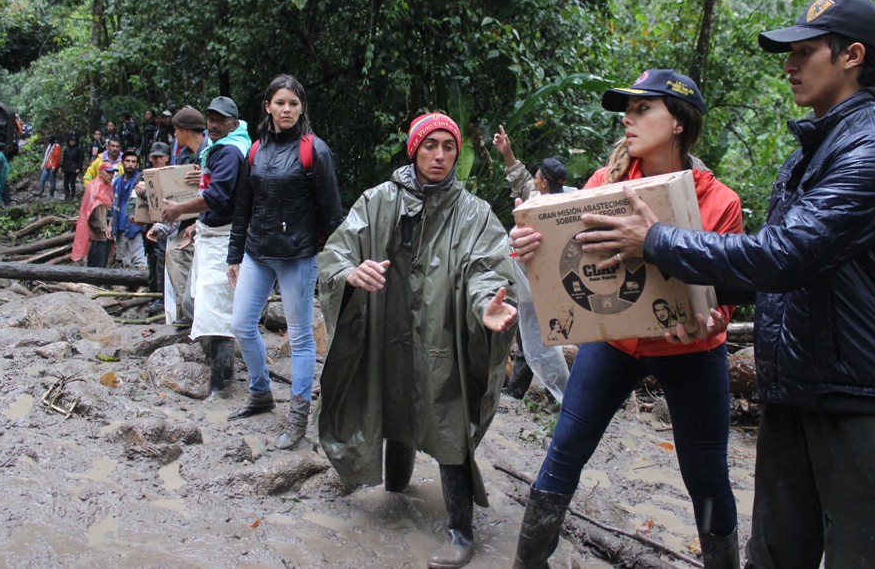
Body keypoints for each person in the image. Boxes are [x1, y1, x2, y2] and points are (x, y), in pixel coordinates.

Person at [566, 0, 875, 569]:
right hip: (796, 389)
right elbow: (777, 276)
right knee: (773, 555)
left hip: (865, 400)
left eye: (804, 51)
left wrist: (658, 241)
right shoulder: (810, 154)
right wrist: (705, 298)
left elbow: (782, 256)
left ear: (852, 56)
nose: (789, 65)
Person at [507, 69, 744, 569]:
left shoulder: (719, 202)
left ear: (679, 122)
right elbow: (559, 257)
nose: (627, 119)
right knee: (566, 448)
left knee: (705, 474)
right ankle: (528, 563)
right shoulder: (604, 185)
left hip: (690, 350)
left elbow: (725, 294)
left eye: (642, 110)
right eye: (627, 110)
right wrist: (529, 247)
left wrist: (715, 319)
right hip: (614, 341)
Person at [317, 112, 518, 569]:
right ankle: (397, 489)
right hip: (387, 326)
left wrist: (486, 303)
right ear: (414, 150)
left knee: (446, 416)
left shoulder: (474, 213)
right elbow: (337, 250)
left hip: (442, 332)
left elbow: (487, 267)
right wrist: (350, 272)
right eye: (431, 146)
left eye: (449, 146)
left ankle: (460, 529)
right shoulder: (378, 200)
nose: (441, 155)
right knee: (390, 392)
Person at [225, 75, 344, 449]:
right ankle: (261, 392)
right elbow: (244, 205)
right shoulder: (256, 150)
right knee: (242, 325)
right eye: (280, 103)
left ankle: (297, 416)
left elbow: (332, 212)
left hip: (298, 255)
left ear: (301, 107)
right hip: (258, 252)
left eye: (293, 103)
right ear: (268, 107)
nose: (287, 109)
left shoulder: (315, 151)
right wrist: (234, 254)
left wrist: (340, 263)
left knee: (302, 338)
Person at [162, 96, 250, 395]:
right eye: (210, 118)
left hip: (226, 238)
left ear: (233, 123)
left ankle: (221, 387)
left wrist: (180, 209)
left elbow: (217, 197)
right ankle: (219, 359)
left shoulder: (229, 153)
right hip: (210, 234)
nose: (212, 124)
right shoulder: (216, 151)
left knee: (216, 314)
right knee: (192, 303)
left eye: (219, 120)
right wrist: (195, 225)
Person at [492, 124, 572, 400]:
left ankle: (545, 392)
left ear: (545, 183)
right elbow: (521, 179)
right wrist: (507, 151)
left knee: (538, 338)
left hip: (546, 284)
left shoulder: (549, 210)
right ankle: (520, 390)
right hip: (530, 282)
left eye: (537, 177)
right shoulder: (554, 196)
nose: (534, 180)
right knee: (531, 336)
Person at [158, 106, 210, 327]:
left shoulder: (210, 151)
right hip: (190, 219)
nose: (174, 136)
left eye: (176, 131)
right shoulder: (188, 155)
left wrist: (206, 175)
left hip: (210, 221)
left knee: (177, 253)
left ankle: (189, 314)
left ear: (183, 130)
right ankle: (187, 312)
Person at [140, 141, 172, 315]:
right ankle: (155, 296)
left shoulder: (171, 175)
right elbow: (134, 202)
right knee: (151, 260)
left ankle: (161, 299)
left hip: (167, 226)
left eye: (160, 157)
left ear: (167, 157)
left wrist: (144, 193)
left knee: (162, 262)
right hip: (149, 226)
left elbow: (164, 202)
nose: (157, 160)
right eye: (154, 157)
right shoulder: (143, 176)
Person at [71, 162, 116, 268]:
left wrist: (110, 226)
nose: (111, 175)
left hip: (106, 232)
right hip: (96, 234)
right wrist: (101, 228)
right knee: (96, 264)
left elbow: (112, 208)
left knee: (104, 262)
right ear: (100, 173)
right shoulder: (93, 188)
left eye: (112, 173)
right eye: (108, 172)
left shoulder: (109, 187)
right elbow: (89, 214)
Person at [110, 150, 147, 269]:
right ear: (122, 163)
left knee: (139, 259)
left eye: (133, 162)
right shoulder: (117, 182)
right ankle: (126, 286)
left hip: (135, 226)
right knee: (123, 259)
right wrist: (111, 225)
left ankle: (141, 286)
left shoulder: (141, 180)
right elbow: (114, 205)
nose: (130, 164)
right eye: (127, 161)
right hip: (119, 226)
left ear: (137, 164)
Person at [61, 134, 83, 201]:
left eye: (73, 141)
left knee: (72, 183)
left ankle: (72, 196)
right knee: (65, 183)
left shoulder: (78, 149)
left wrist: (79, 168)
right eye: (70, 141)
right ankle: (66, 195)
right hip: (67, 168)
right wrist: (61, 167)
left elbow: (80, 159)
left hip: (74, 168)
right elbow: (64, 158)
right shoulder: (66, 149)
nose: (72, 142)